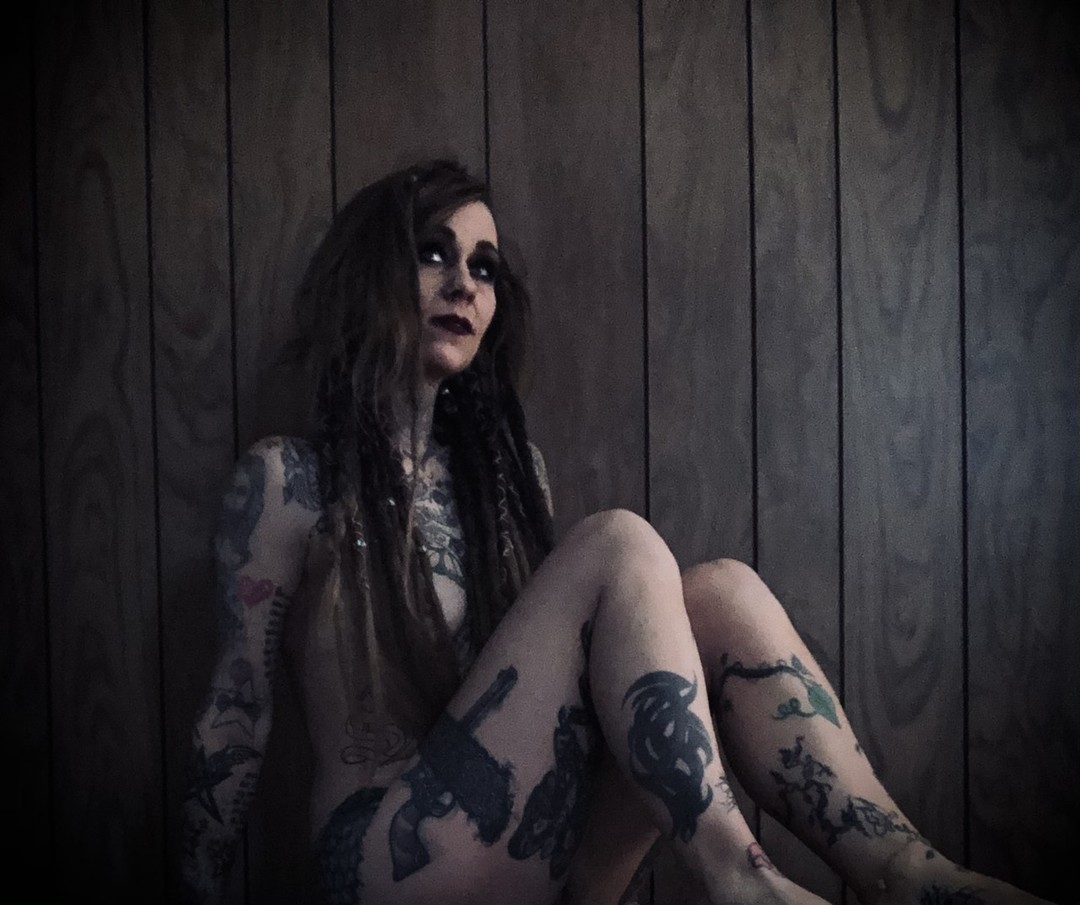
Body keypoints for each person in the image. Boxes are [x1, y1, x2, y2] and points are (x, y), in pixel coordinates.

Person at [180, 159, 1054, 905]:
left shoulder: (508, 479)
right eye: (433, 252)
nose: (465, 285)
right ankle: (740, 875)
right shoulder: (288, 481)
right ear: (372, 271)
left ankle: (907, 871)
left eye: (484, 267)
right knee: (619, 543)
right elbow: (235, 716)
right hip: (386, 859)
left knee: (717, 591)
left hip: (533, 848)